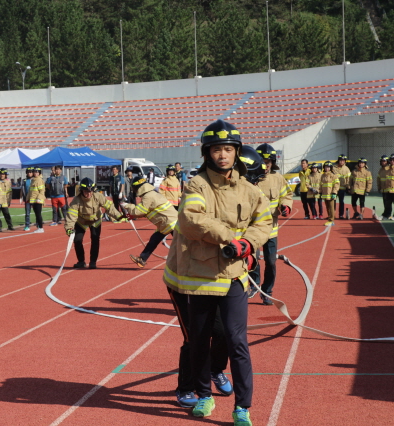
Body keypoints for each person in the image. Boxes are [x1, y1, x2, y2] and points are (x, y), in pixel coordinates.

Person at [163, 119, 271, 425]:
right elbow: (189, 219)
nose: (222, 155)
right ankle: (204, 395)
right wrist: (228, 237)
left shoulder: (250, 190)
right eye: (215, 150)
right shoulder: (197, 185)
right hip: (199, 276)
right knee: (199, 339)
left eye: (227, 149)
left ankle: (242, 407)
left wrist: (247, 244)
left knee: (236, 340)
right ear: (206, 153)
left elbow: (263, 222)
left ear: (236, 152)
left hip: (234, 274)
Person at [248, 143, 293, 305]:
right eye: (263, 162)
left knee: (271, 261)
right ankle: (254, 285)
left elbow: (286, 195)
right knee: (252, 258)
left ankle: (267, 291)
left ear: (272, 163)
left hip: (271, 231)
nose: (265, 166)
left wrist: (286, 205)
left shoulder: (278, 179)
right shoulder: (249, 178)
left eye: (268, 163)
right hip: (252, 230)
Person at [63, 177, 123, 269]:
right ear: (82, 191)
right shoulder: (76, 201)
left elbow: (109, 207)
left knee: (95, 239)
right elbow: (71, 216)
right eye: (86, 191)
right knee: (77, 240)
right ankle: (81, 261)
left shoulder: (98, 196)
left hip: (95, 221)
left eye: (91, 191)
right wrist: (69, 228)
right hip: (81, 221)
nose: (89, 193)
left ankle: (93, 262)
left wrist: (118, 216)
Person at [121, 175, 177, 268]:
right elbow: (146, 211)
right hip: (166, 223)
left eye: (134, 188)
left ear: (139, 187)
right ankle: (142, 259)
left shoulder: (148, 196)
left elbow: (139, 211)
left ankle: (191, 265)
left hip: (171, 223)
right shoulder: (151, 194)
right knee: (154, 240)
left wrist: (127, 205)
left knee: (181, 247)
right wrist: (130, 215)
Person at [320, 161, 340, 226]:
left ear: (330, 168)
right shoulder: (323, 176)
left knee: (331, 208)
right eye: (326, 167)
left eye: (328, 167)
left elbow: (336, 184)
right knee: (327, 207)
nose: (327, 168)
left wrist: (334, 192)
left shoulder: (333, 175)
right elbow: (321, 184)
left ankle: (331, 220)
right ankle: (329, 219)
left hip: (331, 194)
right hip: (325, 195)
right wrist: (320, 192)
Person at [332, 154, 351, 219]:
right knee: (333, 201)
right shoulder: (334, 168)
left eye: (343, 160)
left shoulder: (346, 169)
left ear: (345, 161)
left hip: (342, 188)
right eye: (340, 160)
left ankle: (341, 215)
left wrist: (348, 187)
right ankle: (332, 215)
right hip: (334, 189)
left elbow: (348, 179)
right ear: (338, 160)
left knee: (341, 202)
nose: (341, 162)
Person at [28, 167, 46, 233]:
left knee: (38, 214)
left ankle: (41, 228)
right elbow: (30, 191)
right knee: (36, 214)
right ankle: (39, 227)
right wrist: (28, 198)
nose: (35, 173)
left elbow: (42, 190)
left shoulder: (39, 180)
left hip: (38, 200)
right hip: (33, 199)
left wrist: (39, 198)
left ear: (39, 173)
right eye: (35, 172)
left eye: (37, 172)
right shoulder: (33, 180)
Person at [376, 155, 391, 221]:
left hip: (391, 189)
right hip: (384, 190)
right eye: (382, 161)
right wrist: (379, 187)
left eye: (384, 161)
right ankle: (386, 215)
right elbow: (378, 179)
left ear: (387, 161)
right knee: (386, 204)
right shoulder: (380, 170)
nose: (383, 162)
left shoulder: (390, 169)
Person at [20, 167, 34, 231]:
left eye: (30, 172)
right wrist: (21, 197)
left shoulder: (35, 179)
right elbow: (22, 189)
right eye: (28, 172)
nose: (29, 173)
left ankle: (39, 224)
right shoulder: (24, 180)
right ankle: (27, 225)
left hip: (34, 199)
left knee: (37, 213)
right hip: (27, 199)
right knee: (27, 213)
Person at [382, 154, 394, 220]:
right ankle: (387, 215)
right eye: (391, 160)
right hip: (388, 190)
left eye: (393, 160)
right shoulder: (388, 169)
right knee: (388, 204)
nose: (392, 161)